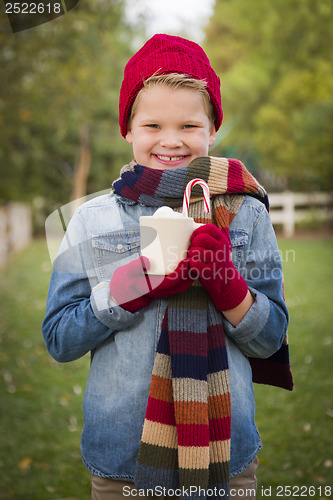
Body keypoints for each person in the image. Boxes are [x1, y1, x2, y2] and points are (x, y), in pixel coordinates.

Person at [42, 34, 293, 500]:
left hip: (225, 457)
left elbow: (270, 338)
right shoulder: (91, 220)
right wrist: (134, 285)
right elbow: (59, 338)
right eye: (153, 124)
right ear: (128, 130)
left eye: (189, 125)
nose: (171, 141)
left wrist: (227, 287)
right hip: (123, 463)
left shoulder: (246, 214)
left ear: (212, 130)